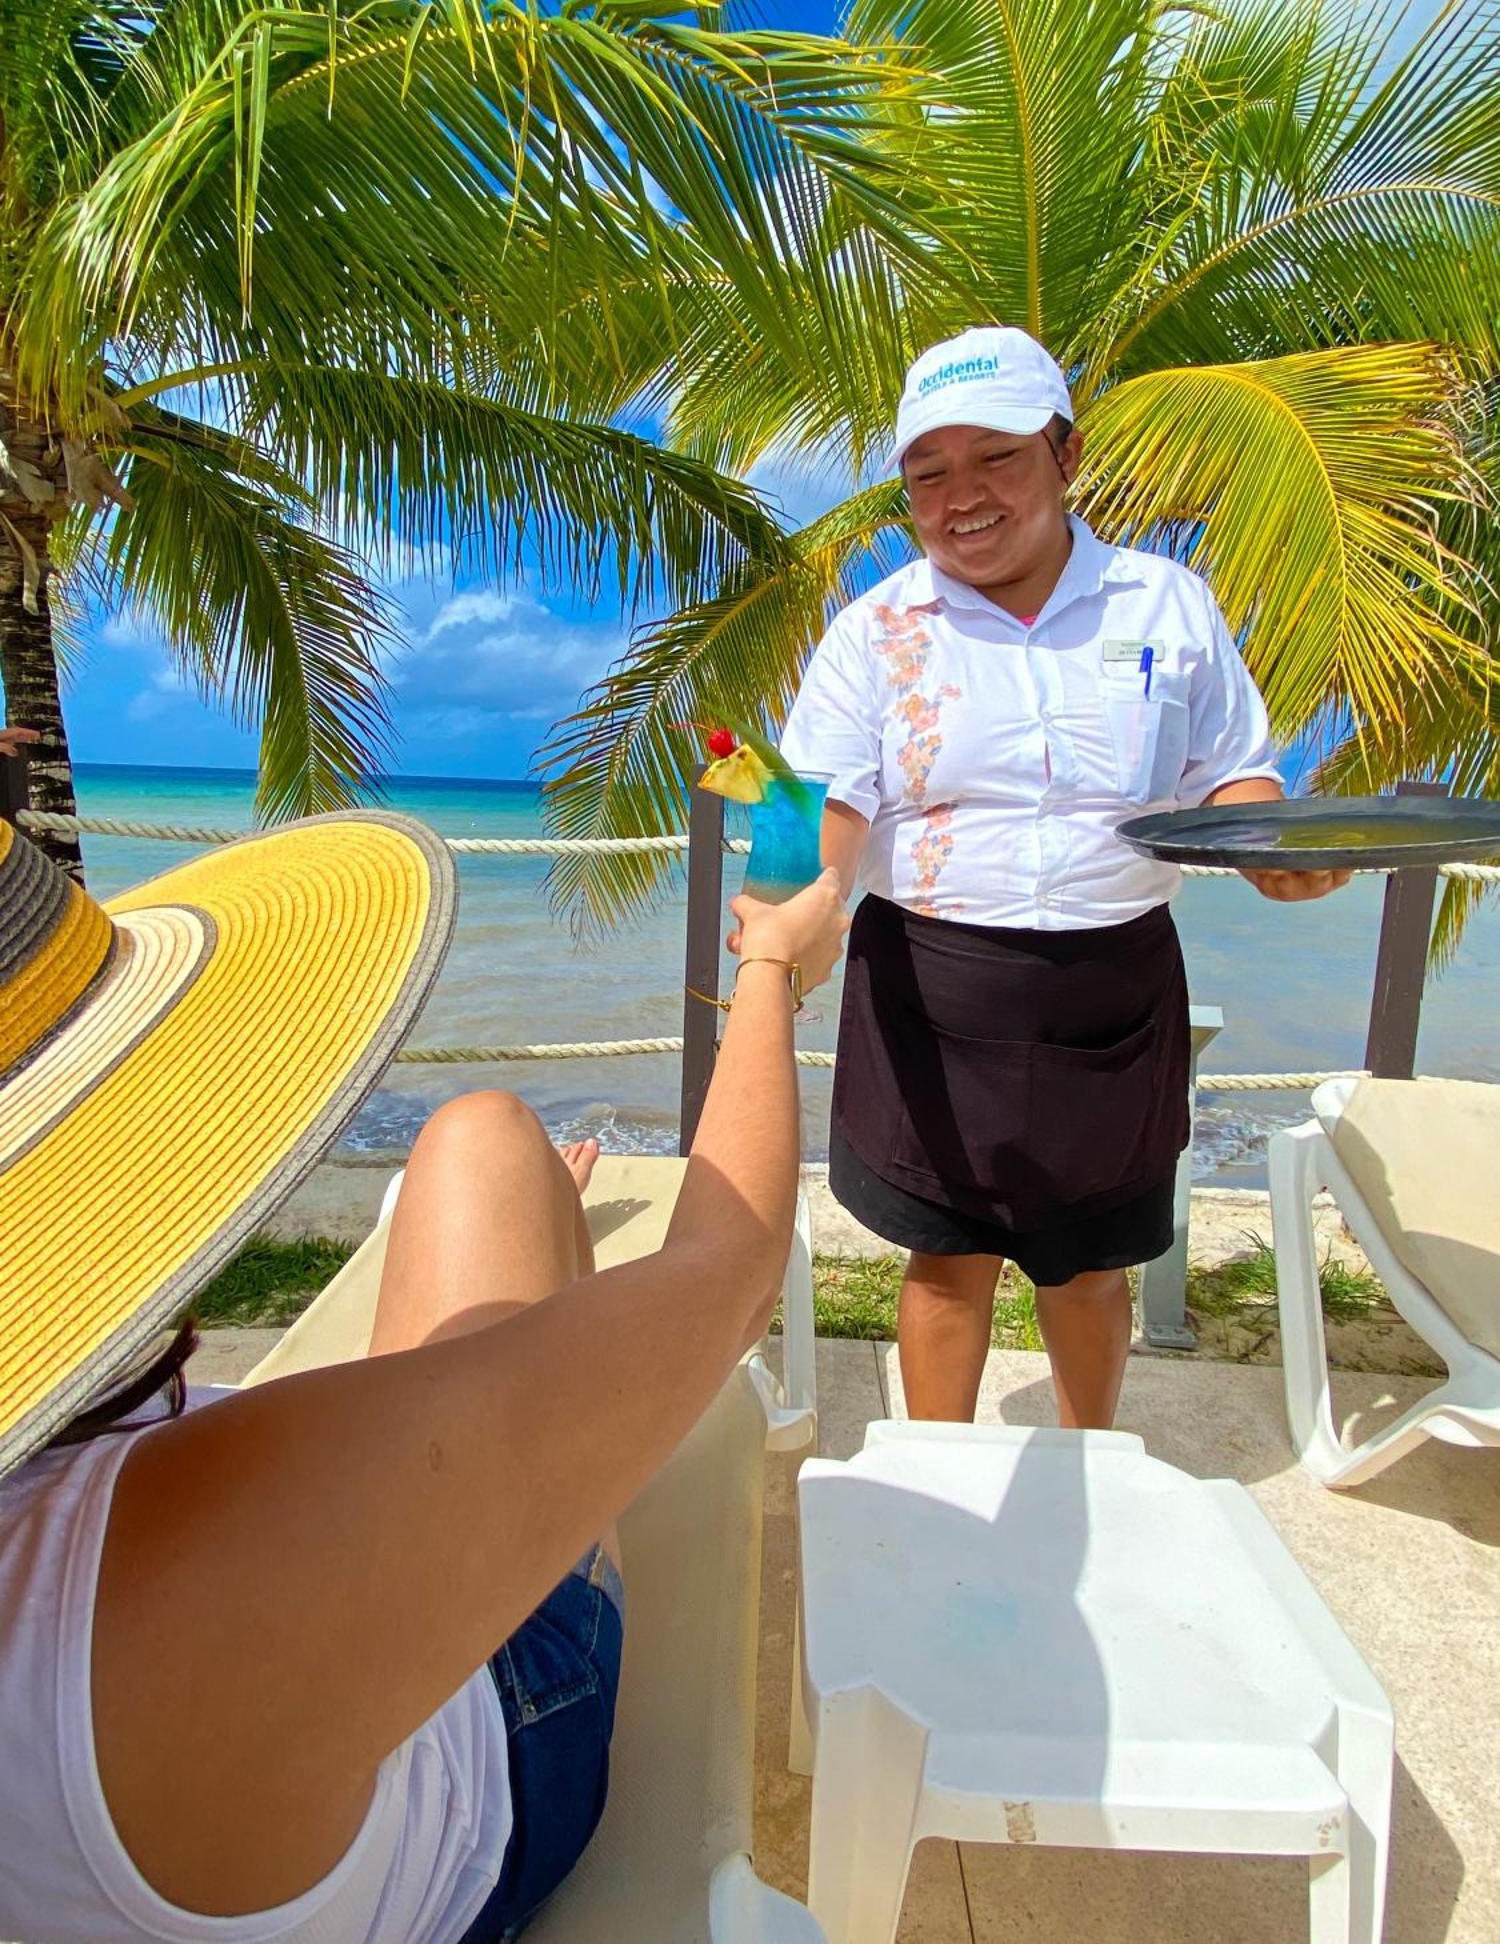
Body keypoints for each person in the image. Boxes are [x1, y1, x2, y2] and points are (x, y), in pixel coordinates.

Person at [0, 808, 847, 1942]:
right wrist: (773, 966)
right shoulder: (178, 1568)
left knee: (482, 1145)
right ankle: (565, 1315)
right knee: (489, 1142)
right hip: (482, 1765)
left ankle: (552, 1276)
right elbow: (732, 1271)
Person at [781, 325, 1349, 1432]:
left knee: (1090, 1265)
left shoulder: (1165, 604)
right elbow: (809, 797)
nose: (962, 496)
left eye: (995, 457)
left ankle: (1095, 1456)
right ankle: (938, 1474)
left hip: (1115, 986)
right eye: (927, 473)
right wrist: (789, 907)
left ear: (1065, 454)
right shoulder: (875, 629)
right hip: (929, 980)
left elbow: (1230, 771)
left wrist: (1275, 852)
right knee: (945, 1263)